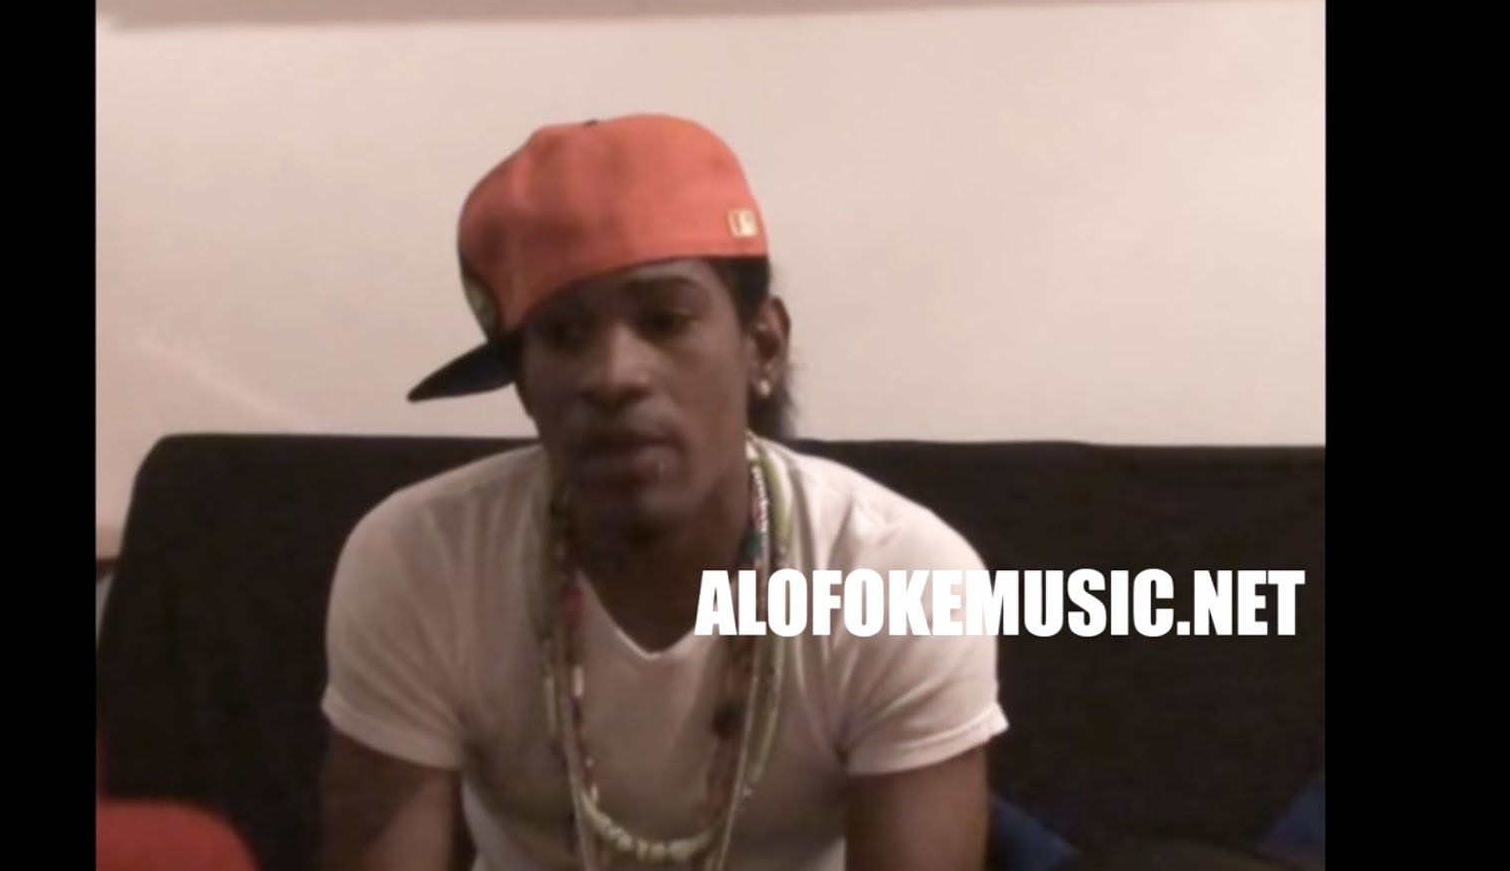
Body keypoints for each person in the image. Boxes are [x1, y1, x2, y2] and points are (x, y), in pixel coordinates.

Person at [318, 113, 1007, 871]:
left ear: (762, 346)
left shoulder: (900, 575)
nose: (614, 375)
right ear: (524, 386)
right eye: (564, 335)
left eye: (666, 320)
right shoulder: (422, 563)